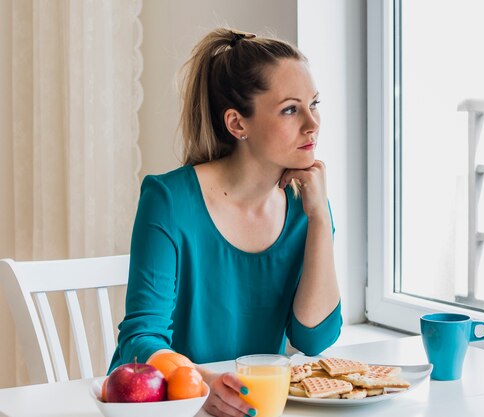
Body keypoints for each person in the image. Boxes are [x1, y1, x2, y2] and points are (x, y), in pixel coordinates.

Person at [108, 28, 342, 417]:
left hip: (255, 406)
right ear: (237, 124)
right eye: (290, 109)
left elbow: (314, 337)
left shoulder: (308, 204)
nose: (312, 123)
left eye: (314, 103)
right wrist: (202, 383)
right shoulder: (168, 200)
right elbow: (141, 338)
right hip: (174, 406)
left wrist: (319, 219)